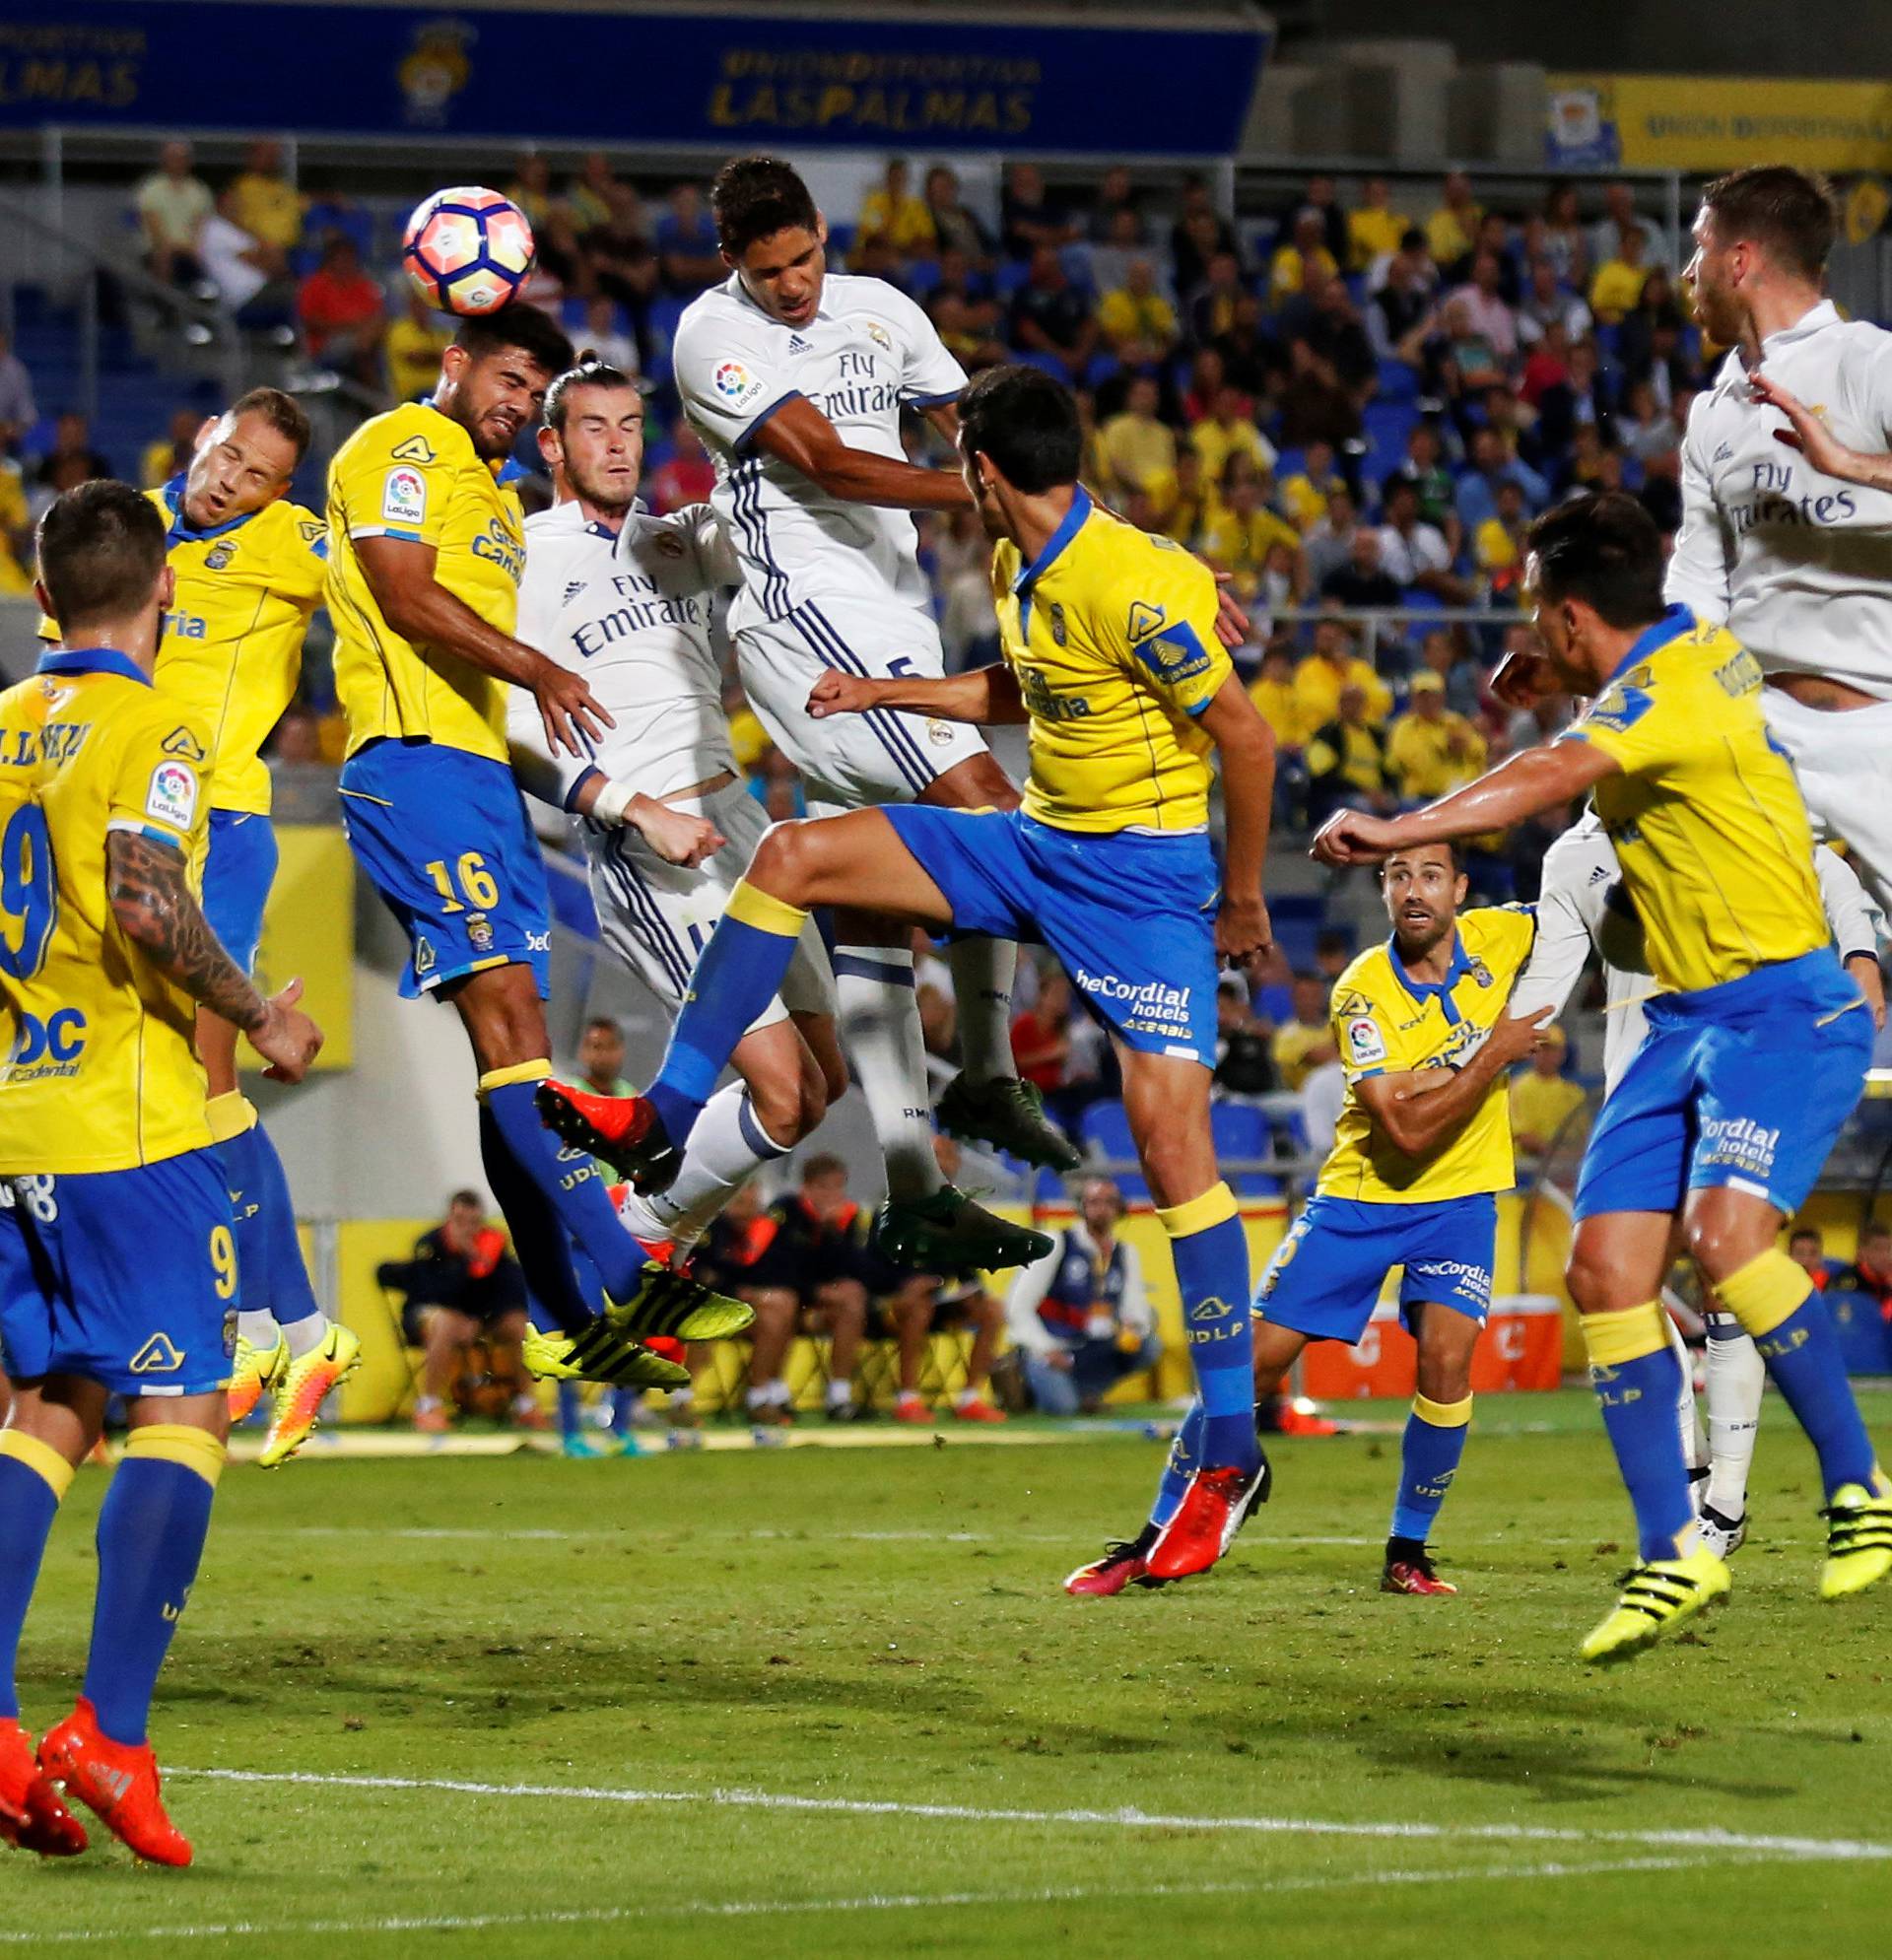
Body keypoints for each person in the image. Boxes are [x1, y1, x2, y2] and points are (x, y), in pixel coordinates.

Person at [553, 363, 1277, 1582]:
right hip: (1040, 845)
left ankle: (1231, 1452)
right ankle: (663, 1117)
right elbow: (1035, 690)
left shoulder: (1137, 577)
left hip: (1147, 890)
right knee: (790, 858)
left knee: (1175, 1159)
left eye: (958, 464)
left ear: (986, 475)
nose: (953, 483)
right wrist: (896, 692)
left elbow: (1245, 738)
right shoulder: (1018, 561)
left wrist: (1246, 896)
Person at [1317, 490, 1891, 1659]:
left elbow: (1541, 778)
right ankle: (1674, 1550)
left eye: (1540, 608)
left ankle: (1861, 1491)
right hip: (1684, 1022)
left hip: (1785, 1006)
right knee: (1605, 1267)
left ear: (1574, 615)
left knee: (1728, 1243)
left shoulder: (1661, 697)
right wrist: (1563, 676)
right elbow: (1613, 695)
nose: (1532, 623)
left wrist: (1395, 828)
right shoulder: (1693, 647)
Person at [637, 156, 1082, 1271]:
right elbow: (833, 462)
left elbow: (962, 419)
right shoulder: (708, 333)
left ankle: (915, 1181)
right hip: (806, 622)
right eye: (769, 268)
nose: (793, 284)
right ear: (732, 260)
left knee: (872, 902)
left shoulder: (883, 310)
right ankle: (985, 1074)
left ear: (825, 236)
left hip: (898, 620)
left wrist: (1063, 512)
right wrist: (990, 496)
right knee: (996, 821)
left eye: (806, 258)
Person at [324, 304, 749, 1393]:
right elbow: (402, 594)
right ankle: (627, 1273)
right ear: (455, 364)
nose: (516, 403)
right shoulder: (399, 448)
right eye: (507, 379)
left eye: (531, 390)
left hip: (479, 781)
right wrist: (539, 670)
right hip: (414, 763)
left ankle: (567, 1315)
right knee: (516, 1039)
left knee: (509, 1062)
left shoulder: (497, 504)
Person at [0, 480, 323, 1863]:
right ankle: (112, 1734)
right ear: (167, 594)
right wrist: (261, 1016)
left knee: (50, 1402)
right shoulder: (158, 726)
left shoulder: (4, 725)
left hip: (13, 1123)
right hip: (124, 1129)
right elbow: (145, 895)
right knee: (184, 1397)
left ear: (41, 592)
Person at [1075, 842, 1543, 1597]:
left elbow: (1585, 905)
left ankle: (1409, 1551)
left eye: (1430, 874)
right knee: (1252, 1362)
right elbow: (1409, 1130)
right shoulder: (1362, 993)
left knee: (1449, 1363)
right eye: (1397, 877)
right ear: (1382, 892)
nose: (1414, 890)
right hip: (1362, 1199)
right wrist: (1492, 1055)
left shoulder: (1504, 936)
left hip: (1460, 1204)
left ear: (1459, 887)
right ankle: (1153, 1536)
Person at [37, 391, 356, 1465]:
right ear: (205, 433)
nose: (234, 481)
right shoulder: (127, 534)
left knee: (205, 1079)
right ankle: (297, 1331)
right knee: (185, 1094)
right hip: (118, 829)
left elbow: (393, 586)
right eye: (229, 456)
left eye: (261, 476)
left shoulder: (299, 546)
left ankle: (282, 1331)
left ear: (282, 492)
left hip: (218, 829)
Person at [505, 361, 845, 1263]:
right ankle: (635, 1241)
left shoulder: (681, 538)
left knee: (823, 1088)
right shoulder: (526, 555)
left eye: (629, 425)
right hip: (649, 845)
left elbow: (796, 522)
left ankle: (647, 1216)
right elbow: (506, 730)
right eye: (593, 427)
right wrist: (631, 807)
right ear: (551, 444)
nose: (617, 444)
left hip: (740, 827)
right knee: (780, 1095)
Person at [1511, 806, 1883, 1558]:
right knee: (1622, 1286)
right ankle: (1688, 1487)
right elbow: (1541, 994)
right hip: (1638, 1090)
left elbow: (1826, 867)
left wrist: (1861, 953)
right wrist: (1472, 1041)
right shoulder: (1573, 856)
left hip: (1740, 1070)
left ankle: (1725, 1501)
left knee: (1728, 1268)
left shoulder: (1706, 789)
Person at [1669, 166, 1892, 915]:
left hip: (1879, 732)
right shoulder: (1713, 412)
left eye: (1698, 250)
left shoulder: (1868, 363)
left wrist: (1851, 464)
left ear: (1740, 261)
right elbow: (1697, 593)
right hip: (1762, 732)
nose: (1686, 273)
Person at [375, 1190, 539, 1434]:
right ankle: (428, 1405)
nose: (467, 1229)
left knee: (519, 1324)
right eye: (460, 1222)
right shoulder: (430, 1244)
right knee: (446, 1323)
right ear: (450, 1219)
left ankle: (525, 1404)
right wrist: (464, 1260)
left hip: (477, 1317)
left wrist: (477, 1258)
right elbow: (432, 1292)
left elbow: (512, 1291)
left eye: (473, 1223)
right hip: (430, 1315)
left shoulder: (492, 1244)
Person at [1008, 1179, 1159, 1416]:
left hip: (1093, 1345)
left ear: (1120, 1208)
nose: (1102, 1209)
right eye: (1094, 1202)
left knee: (1148, 1345)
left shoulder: (1124, 1252)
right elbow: (1018, 1306)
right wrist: (1044, 1347)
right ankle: (1035, 1385)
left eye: (1110, 1202)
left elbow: (1134, 1303)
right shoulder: (1058, 1243)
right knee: (1063, 1408)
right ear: (1081, 1206)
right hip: (1053, 1345)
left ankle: (1088, 1391)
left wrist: (1133, 1327)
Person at [1385, 671, 1488, 803]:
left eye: (1433, 696)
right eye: (1422, 696)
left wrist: (1466, 746)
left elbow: (1480, 749)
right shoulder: (1405, 727)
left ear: (1442, 697)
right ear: (1413, 699)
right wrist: (1445, 746)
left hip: (1462, 793)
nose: (1428, 701)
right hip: (1423, 796)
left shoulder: (1455, 721)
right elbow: (1412, 759)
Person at [134, 140, 211, 290]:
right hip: (158, 253)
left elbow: (200, 230)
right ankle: (164, 303)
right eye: (173, 157)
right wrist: (175, 248)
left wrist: (190, 250)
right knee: (164, 257)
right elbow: (156, 234)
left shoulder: (199, 191)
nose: (177, 162)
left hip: (191, 253)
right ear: (164, 160)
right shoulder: (151, 189)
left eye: (182, 157)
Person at [1508, 1026, 1586, 1158]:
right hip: (1525, 1167)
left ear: (1563, 1054)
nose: (1546, 1055)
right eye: (1542, 1049)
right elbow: (1522, 1135)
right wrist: (1557, 1155)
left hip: (1563, 1167)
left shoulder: (1574, 1092)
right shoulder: (1518, 1087)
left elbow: (1583, 1136)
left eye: (1553, 1050)